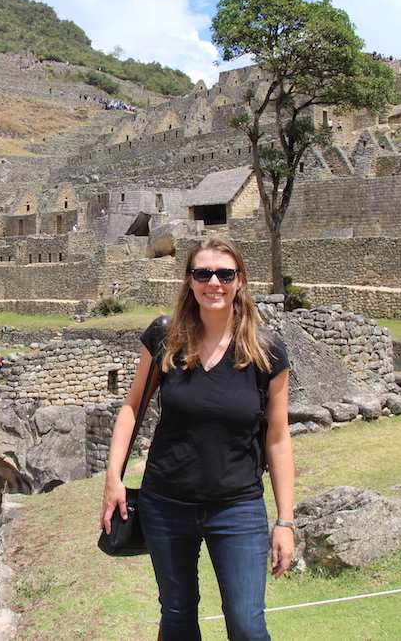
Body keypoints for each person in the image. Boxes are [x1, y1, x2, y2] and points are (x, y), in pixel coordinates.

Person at [100, 236, 294, 641]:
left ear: (240, 281)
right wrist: (113, 478)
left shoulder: (267, 352)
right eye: (203, 273)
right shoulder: (165, 338)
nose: (214, 283)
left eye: (225, 274)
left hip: (237, 507)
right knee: (176, 615)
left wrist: (285, 522)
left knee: (246, 623)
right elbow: (132, 406)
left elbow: (277, 439)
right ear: (189, 281)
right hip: (166, 503)